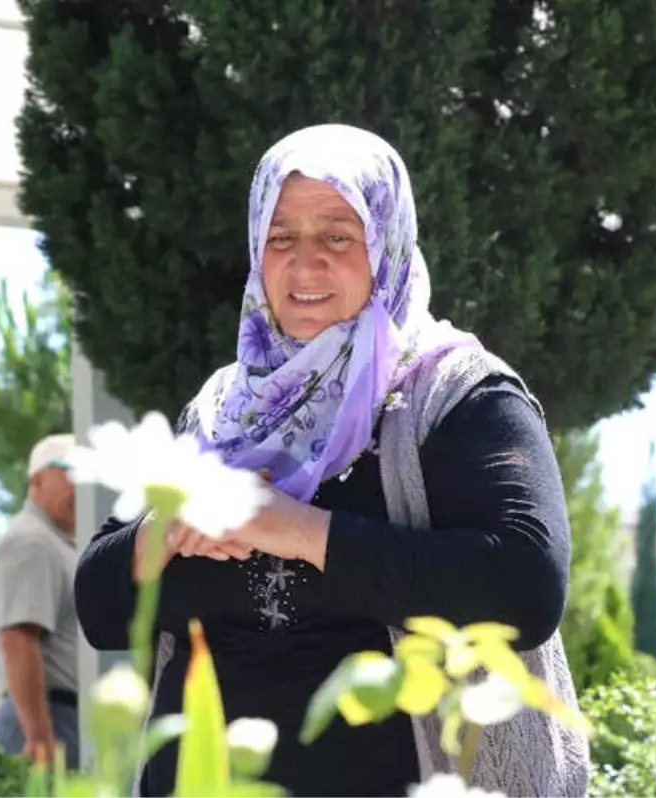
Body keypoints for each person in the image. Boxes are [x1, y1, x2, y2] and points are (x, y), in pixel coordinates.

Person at [75, 124, 590, 797]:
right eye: (280, 237)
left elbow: (524, 587)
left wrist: (290, 529)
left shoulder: (455, 392)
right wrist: (166, 529)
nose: (305, 262)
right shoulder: (220, 413)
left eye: (338, 235)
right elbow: (98, 606)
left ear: (387, 245)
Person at [0, 434, 80, 769]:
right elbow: (19, 640)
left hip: (54, 718)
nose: (80, 485)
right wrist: (39, 737)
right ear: (36, 479)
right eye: (70, 473)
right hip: (44, 722)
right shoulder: (32, 542)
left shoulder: (54, 542)